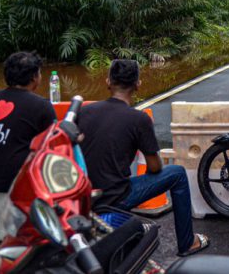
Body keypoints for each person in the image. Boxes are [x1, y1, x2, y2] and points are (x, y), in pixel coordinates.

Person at [78, 60, 208, 257]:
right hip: (115, 196)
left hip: (84, 197)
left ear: (108, 82)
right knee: (178, 173)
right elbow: (154, 167)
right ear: (138, 84)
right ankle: (187, 242)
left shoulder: (84, 111)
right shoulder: (138, 119)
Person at [0, 52, 56, 240]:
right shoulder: (40, 106)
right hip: (8, 177)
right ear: (35, 77)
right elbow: (53, 143)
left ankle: (9, 228)